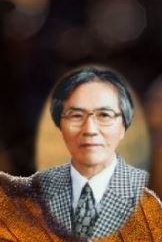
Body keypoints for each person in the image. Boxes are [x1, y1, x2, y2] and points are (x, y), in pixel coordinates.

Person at [31, 66, 148, 240]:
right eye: (76, 116)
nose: (90, 130)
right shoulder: (38, 193)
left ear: (124, 126)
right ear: (60, 127)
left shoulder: (146, 195)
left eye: (104, 116)